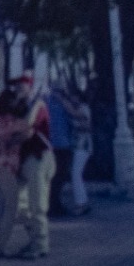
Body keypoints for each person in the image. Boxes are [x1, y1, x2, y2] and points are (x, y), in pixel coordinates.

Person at [0, 74, 53, 259]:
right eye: (16, 87)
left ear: (30, 88)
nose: (18, 90)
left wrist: (36, 104)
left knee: (37, 204)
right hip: (21, 162)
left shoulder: (37, 106)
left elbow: (28, 128)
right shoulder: (19, 109)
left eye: (22, 87)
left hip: (38, 157)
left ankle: (40, 244)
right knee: (20, 206)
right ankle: (34, 239)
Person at [43, 80, 91, 217]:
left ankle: (75, 203)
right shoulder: (61, 104)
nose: (71, 98)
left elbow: (80, 119)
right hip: (65, 145)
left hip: (75, 145)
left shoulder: (78, 107)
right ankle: (60, 204)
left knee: (64, 175)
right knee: (61, 175)